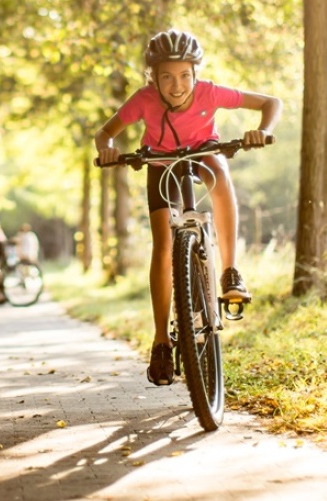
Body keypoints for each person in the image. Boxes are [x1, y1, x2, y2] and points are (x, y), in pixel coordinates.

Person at [93, 29, 281, 387]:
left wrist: (262, 129)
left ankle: (230, 271)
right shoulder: (143, 100)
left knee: (221, 176)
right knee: (164, 246)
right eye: (166, 77)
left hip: (203, 151)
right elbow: (105, 133)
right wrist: (108, 149)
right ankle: (161, 340)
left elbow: (271, 102)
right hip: (160, 163)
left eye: (184, 76)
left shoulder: (210, 92)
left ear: (195, 74)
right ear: (154, 78)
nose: (176, 85)